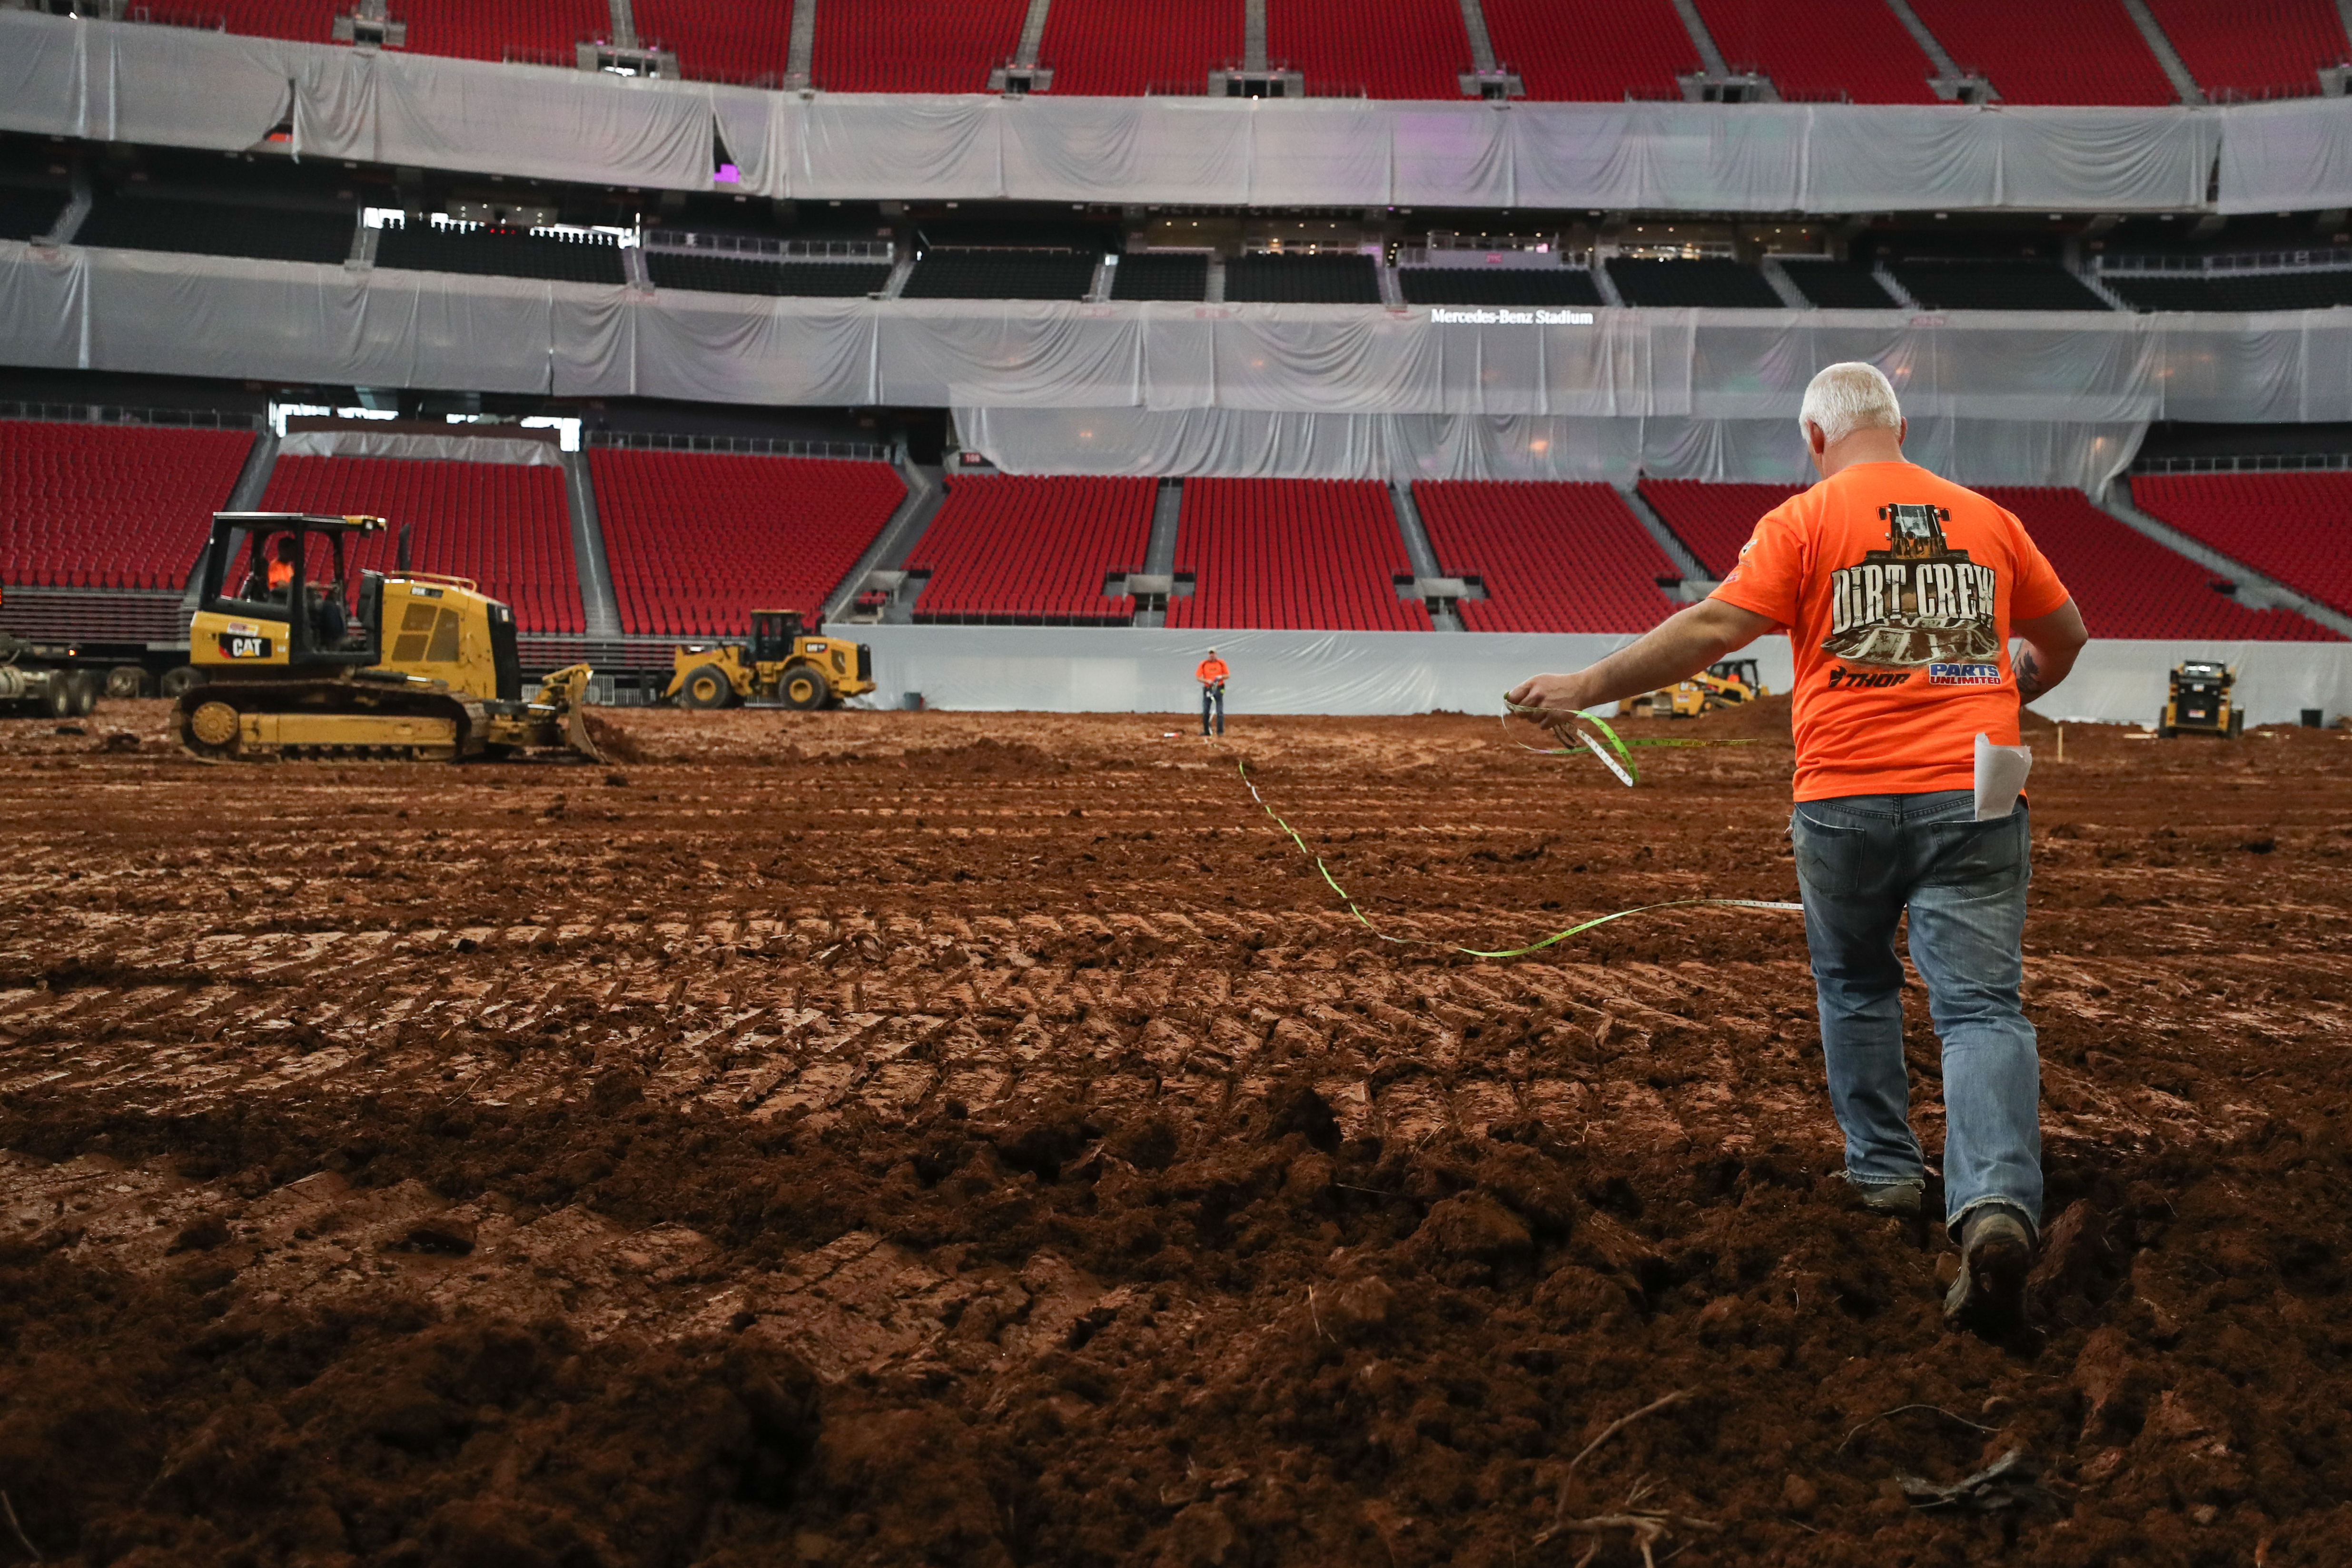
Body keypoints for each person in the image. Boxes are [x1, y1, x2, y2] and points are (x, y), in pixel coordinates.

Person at [1506, 362, 2088, 1338]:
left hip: (1844, 796)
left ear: (1814, 441)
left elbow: (1708, 628)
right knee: (1980, 1006)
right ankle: (1992, 1203)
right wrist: (2000, 690)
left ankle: (1883, 1178)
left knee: (1856, 981)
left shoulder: (1804, 521)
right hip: (1975, 791)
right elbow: (2062, 637)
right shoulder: (1987, 521)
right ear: (1897, 426)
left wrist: (1585, 682)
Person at [1196, 648, 1229, 738]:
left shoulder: (1221, 663)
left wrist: (1220, 677)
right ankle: (1207, 731)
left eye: (1213, 654)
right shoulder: (1203, 664)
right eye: (1210, 654)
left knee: (1220, 711)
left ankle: (1220, 732)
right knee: (1206, 711)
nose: (1212, 655)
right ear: (1208, 655)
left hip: (1219, 688)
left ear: (1216, 654)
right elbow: (1198, 677)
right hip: (1208, 689)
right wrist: (1207, 681)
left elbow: (1228, 675)